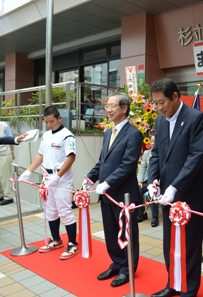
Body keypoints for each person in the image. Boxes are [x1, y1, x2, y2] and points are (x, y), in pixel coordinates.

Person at [147, 78, 203, 297]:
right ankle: (173, 283)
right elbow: (156, 154)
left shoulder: (196, 118)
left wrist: (175, 186)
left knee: (190, 244)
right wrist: (152, 180)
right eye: (155, 103)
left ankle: (189, 289)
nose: (158, 107)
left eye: (161, 102)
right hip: (166, 195)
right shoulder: (160, 121)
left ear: (175, 96)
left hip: (189, 193)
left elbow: (195, 156)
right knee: (169, 243)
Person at [83, 92, 143, 288]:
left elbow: (128, 164)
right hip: (107, 195)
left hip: (123, 195)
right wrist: (90, 178)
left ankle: (128, 268)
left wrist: (107, 182)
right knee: (110, 231)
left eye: (112, 106)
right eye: (107, 106)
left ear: (124, 108)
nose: (107, 110)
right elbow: (103, 161)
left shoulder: (134, 134)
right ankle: (117, 263)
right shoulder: (109, 132)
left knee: (126, 233)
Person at [18, 106, 79, 259]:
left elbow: (71, 157)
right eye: (46, 122)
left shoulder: (67, 136)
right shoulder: (45, 136)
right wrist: (29, 171)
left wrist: (58, 176)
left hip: (61, 178)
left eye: (52, 121)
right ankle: (56, 239)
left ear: (59, 118)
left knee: (64, 210)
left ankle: (72, 243)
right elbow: (40, 155)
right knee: (50, 210)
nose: (49, 124)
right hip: (47, 177)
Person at [137, 135, 160, 226]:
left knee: (153, 192)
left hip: (159, 182)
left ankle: (155, 217)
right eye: (151, 141)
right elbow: (142, 167)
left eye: (154, 141)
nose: (152, 143)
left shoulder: (163, 153)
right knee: (136, 190)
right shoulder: (147, 153)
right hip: (147, 180)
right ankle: (141, 214)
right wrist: (140, 181)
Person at [0, 122, 17, 206]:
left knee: (5, 176)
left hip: (4, 154)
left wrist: (12, 152)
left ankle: (8, 197)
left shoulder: (4, 126)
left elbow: (10, 140)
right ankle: (1, 195)